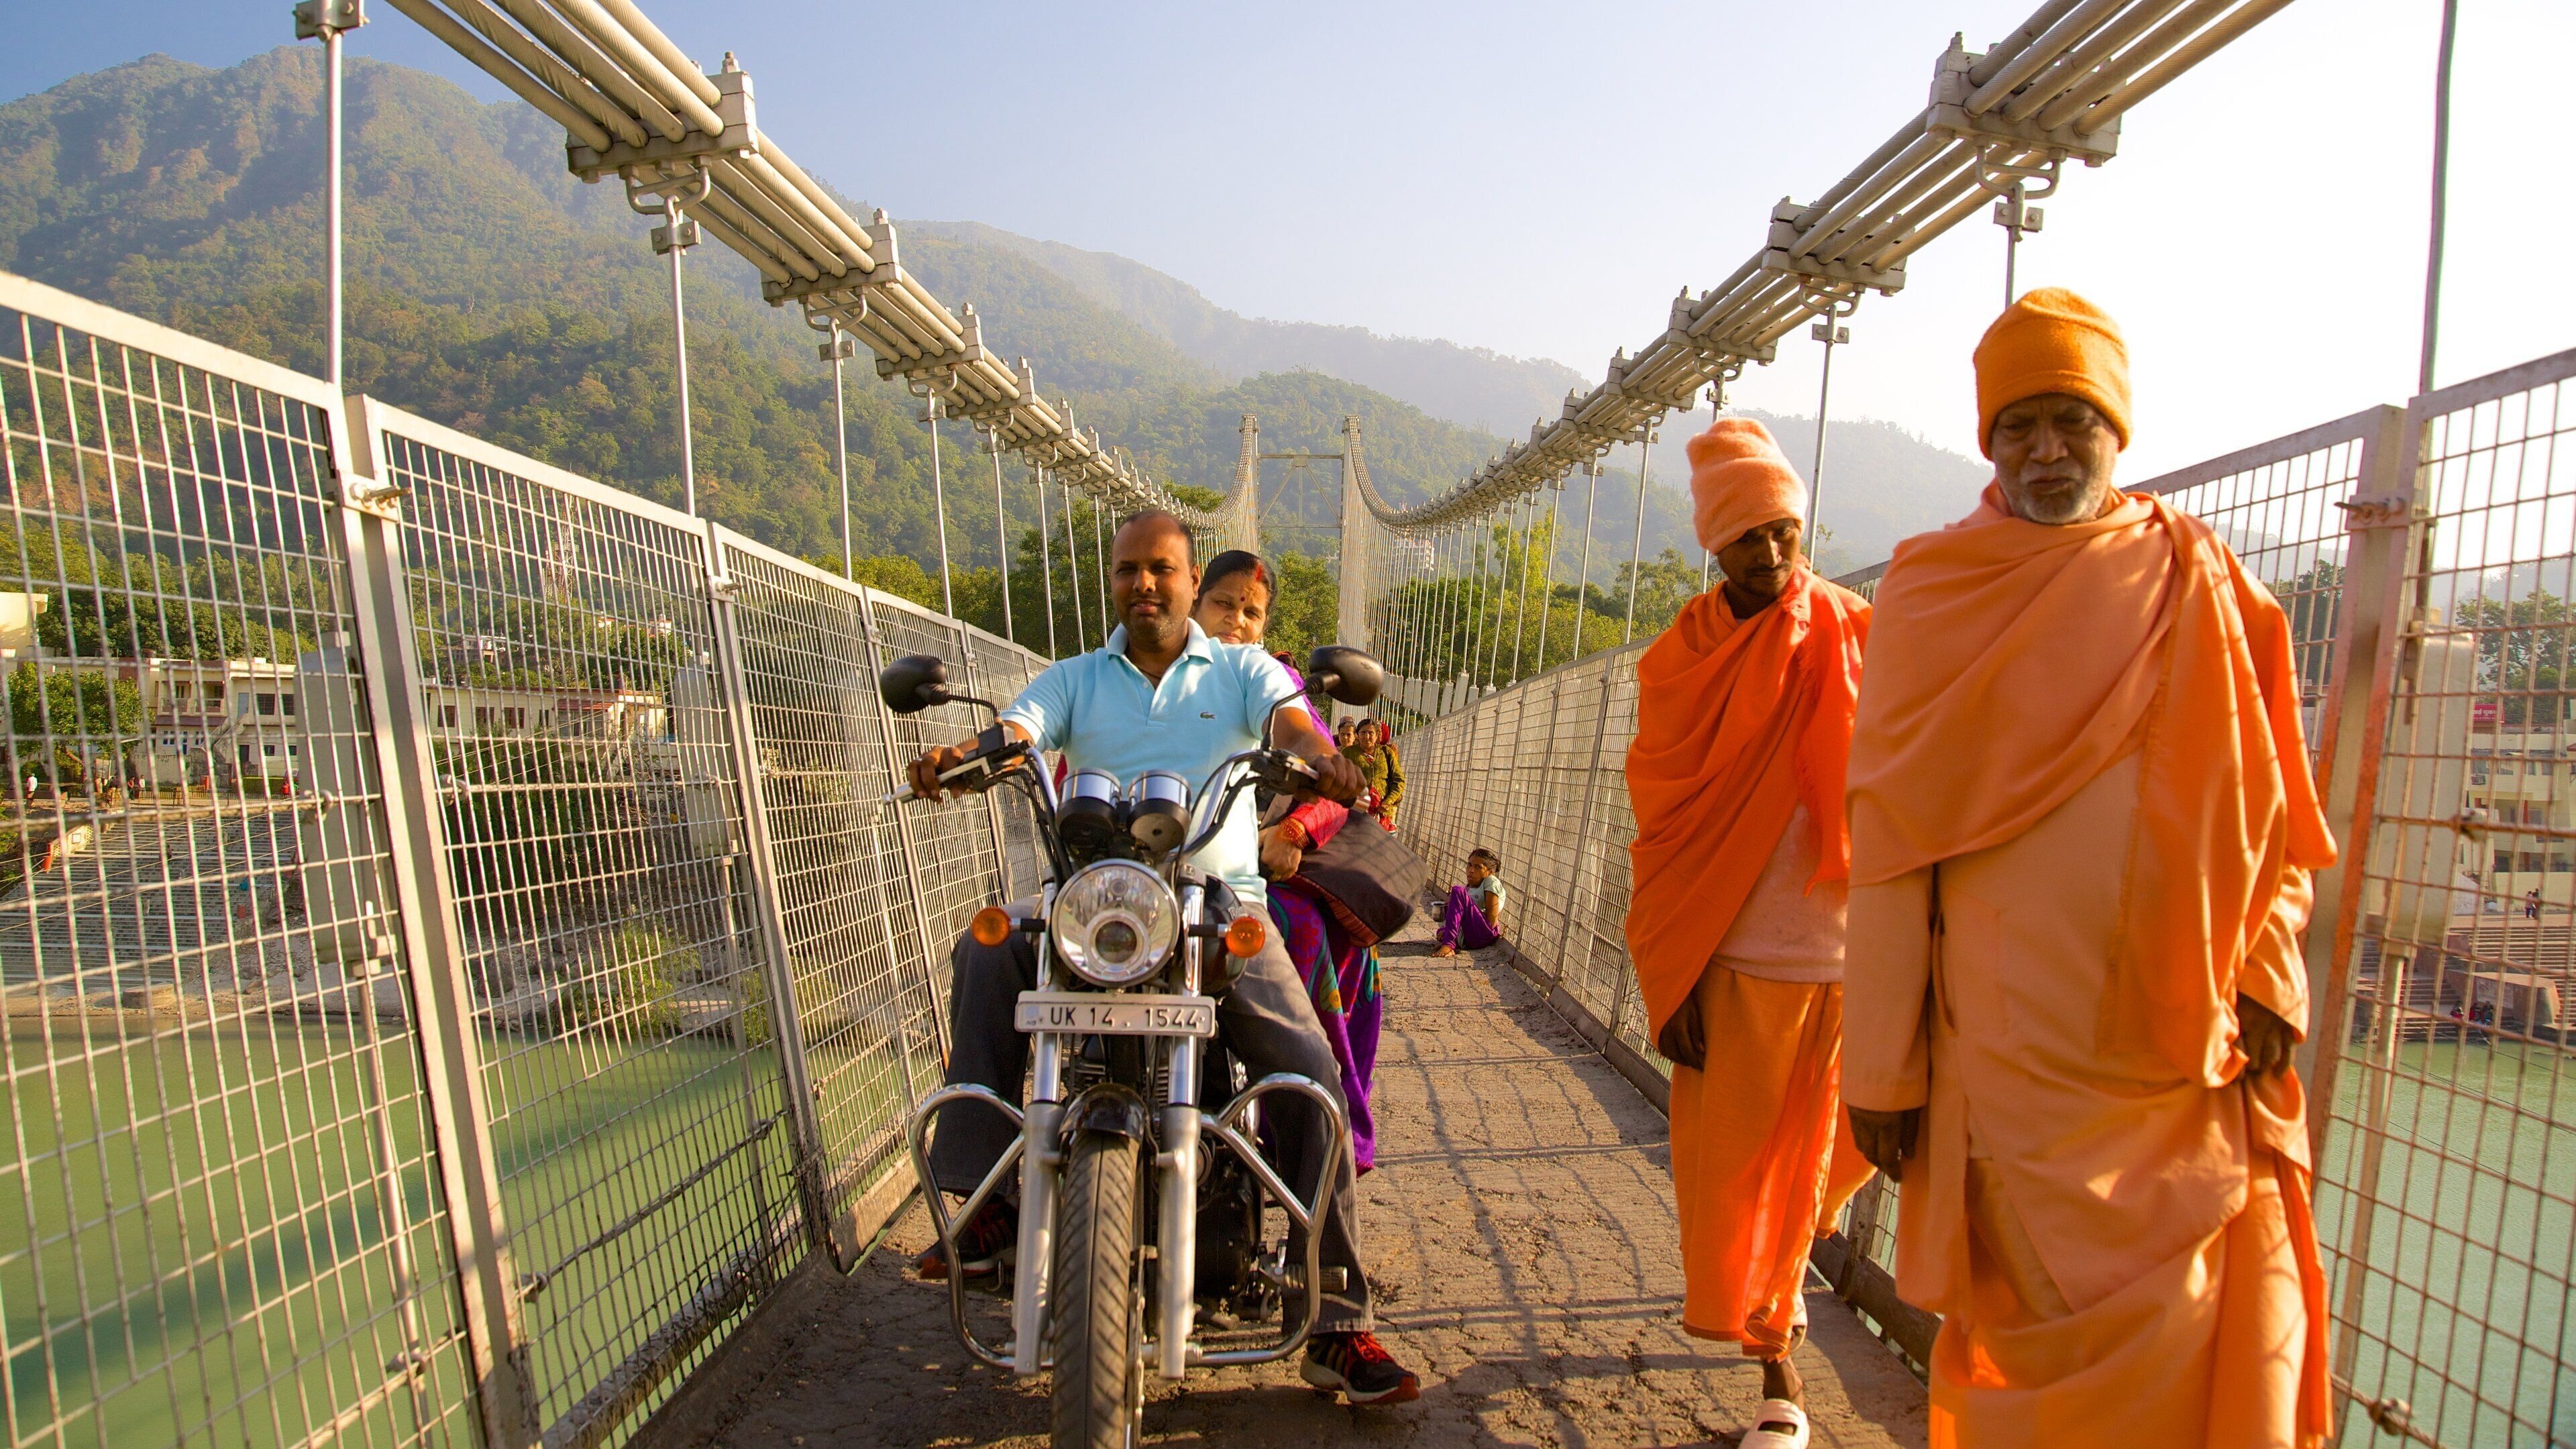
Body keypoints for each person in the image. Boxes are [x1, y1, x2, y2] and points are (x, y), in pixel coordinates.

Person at [1841, 289, 2335, 1447]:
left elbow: (2272, 810)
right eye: (2019, 425)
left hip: (2191, 1052)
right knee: (2031, 1345)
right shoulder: (1930, 590)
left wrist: (2271, 967)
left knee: (2202, 1330)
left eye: (2073, 419)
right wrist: (1881, 1067)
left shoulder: (2203, 581)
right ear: (1988, 441)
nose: (2048, 450)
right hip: (2016, 1061)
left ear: (2119, 430)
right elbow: (1891, 853)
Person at [907, 512, 1420, 1404]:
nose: (1144, 584)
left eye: (1162, 570)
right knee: (984, 949)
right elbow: (1021, 732)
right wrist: (964, 754)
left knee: (1310, 1073)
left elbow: (1293, 728)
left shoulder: (1244, 669)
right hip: (1092, 903)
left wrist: (1326, 761)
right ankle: (991, 1204)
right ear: (1115, 581)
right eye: (1129, 570)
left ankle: (1337, 1316)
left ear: (1191, 583)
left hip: (1220, 907)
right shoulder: (1074, 678)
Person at [1623, 416, 1876, 1444]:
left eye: (1785, 532)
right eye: (1749, 540)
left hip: (1856, 957)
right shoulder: (1679, 660)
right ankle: (1781, 1372)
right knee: (1734, 1183)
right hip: (1731, 963)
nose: (1771, 557)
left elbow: (1914, 783)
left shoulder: (1859, 630)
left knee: (1835, 1159)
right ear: (1711, 549)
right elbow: (1664, 829)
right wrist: (1673, 980)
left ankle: (1782, 1311)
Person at [1195, 548, 1389, 1175]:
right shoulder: (1142, 671)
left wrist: (1295, 830)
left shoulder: (1269, 680)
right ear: (1193, 602)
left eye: (1251, 613)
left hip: (1246, 876)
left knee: (1307, 932)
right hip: (1141, 873)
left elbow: (1326, 765)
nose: (1235, 621)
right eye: (1223, 604)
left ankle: (1311, 1131)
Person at [1432, 849, 1506, 957]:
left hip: (1484, 933)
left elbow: (1491, 922)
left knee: (1457, 890)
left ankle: (1449, 944)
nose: (1471, 870)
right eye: (1469, 865)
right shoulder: (1470, 888)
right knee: (1441, 931)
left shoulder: (1491, 881)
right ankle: (1451, 940)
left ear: (1490, 871)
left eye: (1478, 867)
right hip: (1470, 935)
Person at [1348, 718, 1403, 829]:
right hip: (1357, 809)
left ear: (1377, 734)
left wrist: (1389, 801)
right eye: (1363, 733)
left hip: (1382, 811)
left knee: (1380, 844)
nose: (1367, 736)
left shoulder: (1387, 752)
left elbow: (1399, 780)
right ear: (1357, 735)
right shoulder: (1348, 753)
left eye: (1371, 733)